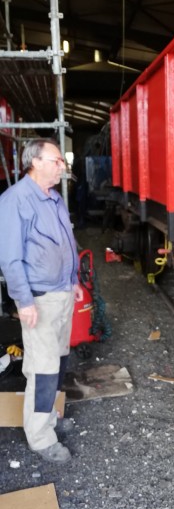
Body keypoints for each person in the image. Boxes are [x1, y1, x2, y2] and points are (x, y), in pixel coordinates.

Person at [0, 138, 83, 463]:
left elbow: (66, 243)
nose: (62, 166)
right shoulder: (15, 200)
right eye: (56, 160)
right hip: (39, 299)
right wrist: (24, 301)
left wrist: (73, 280)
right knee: (44, 369)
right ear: (35, 162)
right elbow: (10, 259)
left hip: (61, 294)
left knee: (59, 361)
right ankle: (40, 437)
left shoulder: (54, 199)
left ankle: (49, 417)